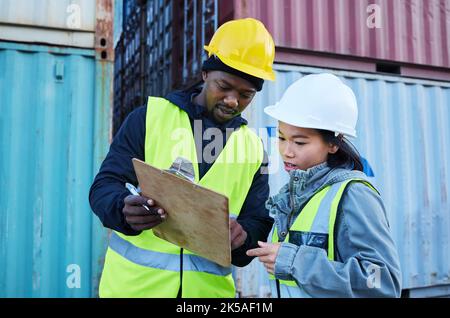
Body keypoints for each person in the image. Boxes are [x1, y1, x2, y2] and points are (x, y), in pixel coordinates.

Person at [89, 18, 275, 298]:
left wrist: (242, 237)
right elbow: (104, 187)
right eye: (223, 86)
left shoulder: (254, 148)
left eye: (246, 95)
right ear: (205, 74)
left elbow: (257, 221)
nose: (232, 101)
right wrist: (123, 209)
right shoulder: (149, 118)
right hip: (134, 290)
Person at [247, 73, 402, 297]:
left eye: (300, 142)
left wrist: (294, 261)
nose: (286, 151)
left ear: (333, 144)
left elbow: (381, 281)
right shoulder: (292, 194)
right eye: (281, 138)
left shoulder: (354, 195)